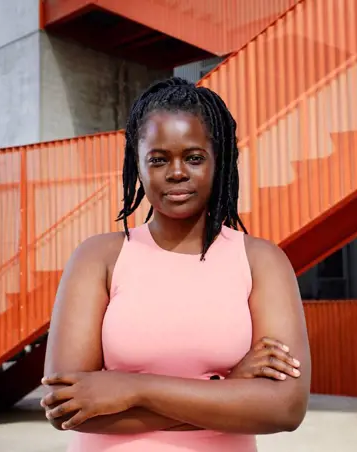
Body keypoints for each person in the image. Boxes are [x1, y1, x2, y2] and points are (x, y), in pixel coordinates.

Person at [40, 77, 311, 451]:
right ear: (137, 165)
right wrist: (229, 391)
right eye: (159, 159)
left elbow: (285, 407)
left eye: (194, 157)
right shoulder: (98, 258)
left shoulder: (261, 261)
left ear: (219, 161)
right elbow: (65, 408)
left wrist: (133, 387)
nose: (177, 172)